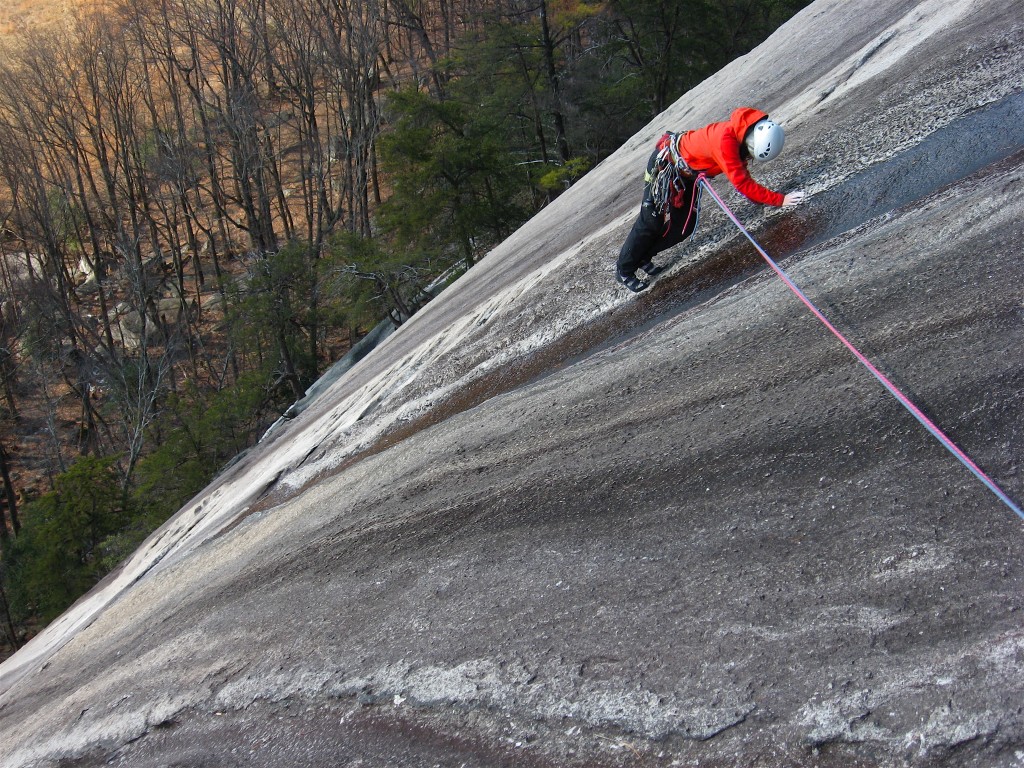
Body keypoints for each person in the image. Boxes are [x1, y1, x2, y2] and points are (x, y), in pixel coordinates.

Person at [616, 107, 806, 292]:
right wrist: (780, 200)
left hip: (686, 175)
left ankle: (643, 257)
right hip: (666, 163)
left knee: (684, 227)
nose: (748, 156)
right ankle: (624, 270)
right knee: (651, 220)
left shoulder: (740, 136)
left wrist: (762, 201)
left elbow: (742, 175)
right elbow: (742, 184)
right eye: (750, 152)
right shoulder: (726, 140)